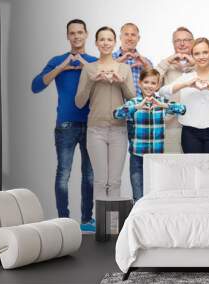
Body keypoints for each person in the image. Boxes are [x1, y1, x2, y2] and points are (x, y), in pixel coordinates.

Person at [31, 19, 97, 232]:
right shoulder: (57, 60)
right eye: (72, 33)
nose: (76, 36)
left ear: (86, 34)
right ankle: (63, 222)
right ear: (67, 36)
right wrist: (62, 67)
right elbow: (36, 86)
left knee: (89, 174)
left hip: (91, 124)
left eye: (80, 32)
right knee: (64, 173)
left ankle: (87, 220)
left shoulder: (94, 61)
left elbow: (104, 82)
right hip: (66, 125)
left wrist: (85, 65)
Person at [75, 26, 135, 203]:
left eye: (109, 39)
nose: (106, 43)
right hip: (96, 131)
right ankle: (102, 228)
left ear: (114, 42)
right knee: (101, 181)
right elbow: (79, 102)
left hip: (119, 130)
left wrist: (122, 82)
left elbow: (133, 101)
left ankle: (114, 228)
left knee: (115, 181)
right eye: (102, 39)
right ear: (96, 43)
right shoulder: (89, 69)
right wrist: (91, 82)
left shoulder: (124, 69)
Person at [113, 69, 186, 201]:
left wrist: (162, 105)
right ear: (140, 83)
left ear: (158, 86)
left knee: (155, 195)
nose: (149, 85)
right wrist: (136, 107)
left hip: (156, 158)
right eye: (146, 82)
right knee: (138, 196)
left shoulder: (161, 102)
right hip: (137, 157)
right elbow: (116, 114)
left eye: (153, 83)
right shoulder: (134, 103)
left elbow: (182, 109)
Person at [160, 38, 209, 153]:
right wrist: (185, 84)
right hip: (190, 134)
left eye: (205, 52)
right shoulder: (187, 77)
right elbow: (162, 92)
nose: (201, 57)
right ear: (192, 56)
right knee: (192, 170)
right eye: (197, 53)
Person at [156, 27, 195, 153]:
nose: (182, 43)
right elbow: (152, 84)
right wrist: (166, 62)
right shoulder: (166, 65)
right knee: (172, 166)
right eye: (178, 40)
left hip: (195, 126)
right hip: (171, 126)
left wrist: (194, 64)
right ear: (173, 43)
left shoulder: (200, 63)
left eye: (186, 40)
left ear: (192, 42)